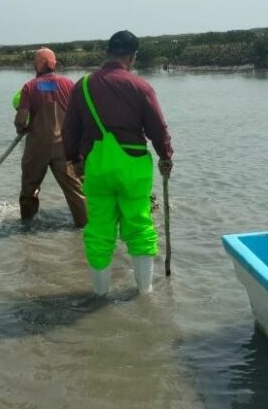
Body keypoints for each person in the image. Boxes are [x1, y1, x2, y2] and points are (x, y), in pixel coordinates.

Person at [63, 30, 173, 295]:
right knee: (139, 226)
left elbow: (69, 131)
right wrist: (165, 156)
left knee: (99, 230)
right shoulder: (140, 87)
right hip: (133, 167)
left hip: (97, 168)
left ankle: (100, 296)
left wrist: (74, 161)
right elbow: (157, 128)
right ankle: (145, 294)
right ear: (133, 56)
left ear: (107, 52)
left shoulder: (83, 85)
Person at [14, 48, 88, 228]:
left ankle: (27, 227)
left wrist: (21, 129)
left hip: (37, 147)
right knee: (75, 190)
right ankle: (84, 227)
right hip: (65, 146)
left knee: (29, 188)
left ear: (36, 65)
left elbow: (21, 119)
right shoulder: (69, 84)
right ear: (54, 63)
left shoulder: (30, 87)